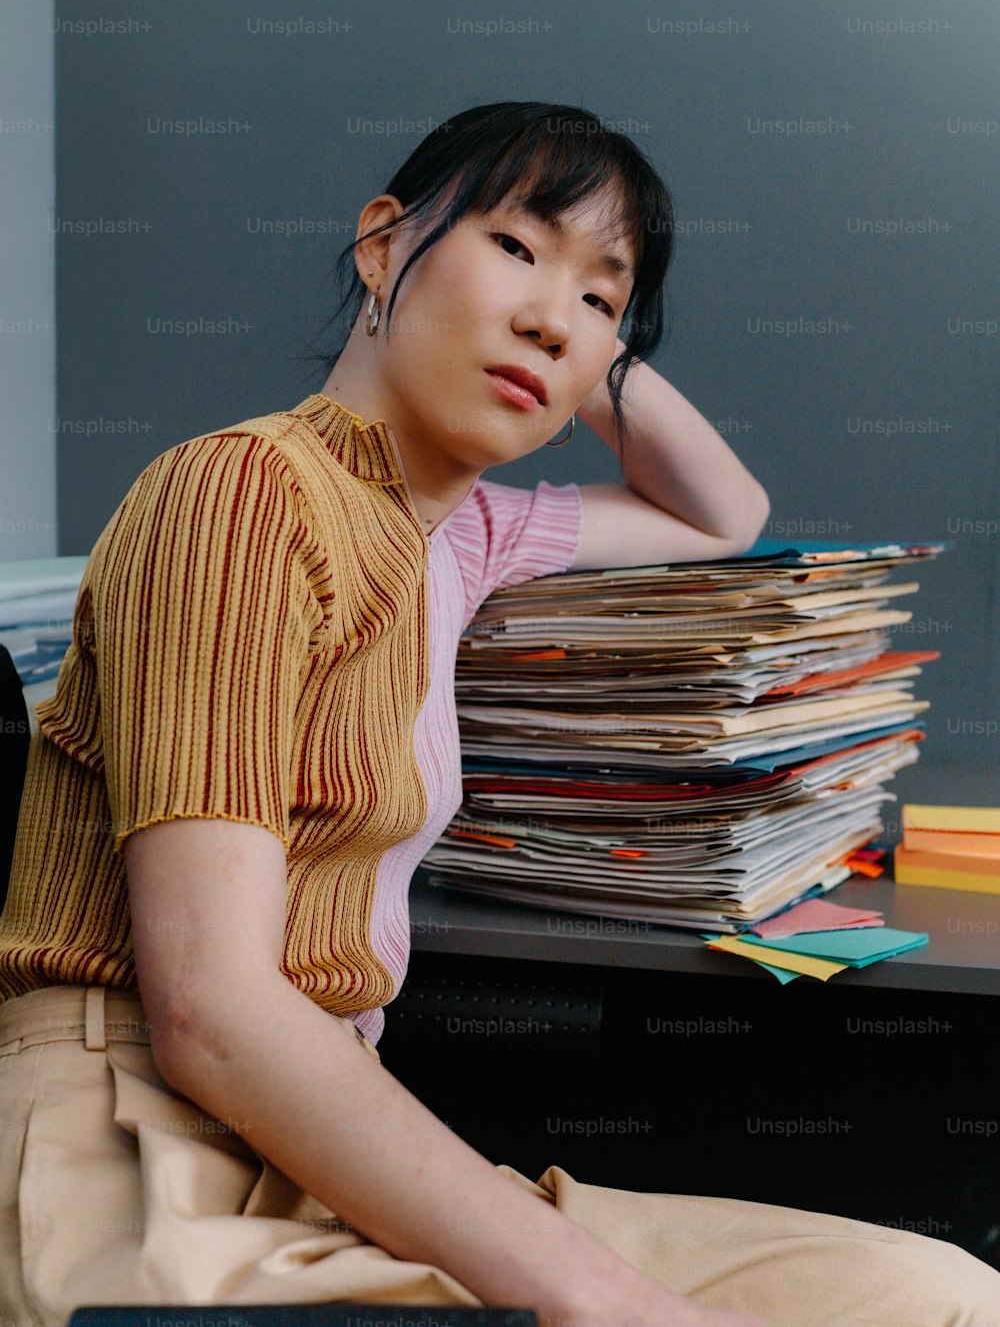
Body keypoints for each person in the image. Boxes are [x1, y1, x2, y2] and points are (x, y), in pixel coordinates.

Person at [1, 100, 997, 1327]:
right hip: (138, 1158)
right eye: (517, 246)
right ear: (381, 246)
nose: (550, 313)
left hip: (327, 1149)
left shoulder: (461, 537)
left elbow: (722, 514)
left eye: (601, 298)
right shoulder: (247, 490)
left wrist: (564, 344)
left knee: (938, 1294)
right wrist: (615, 1303)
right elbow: (211, 1010)